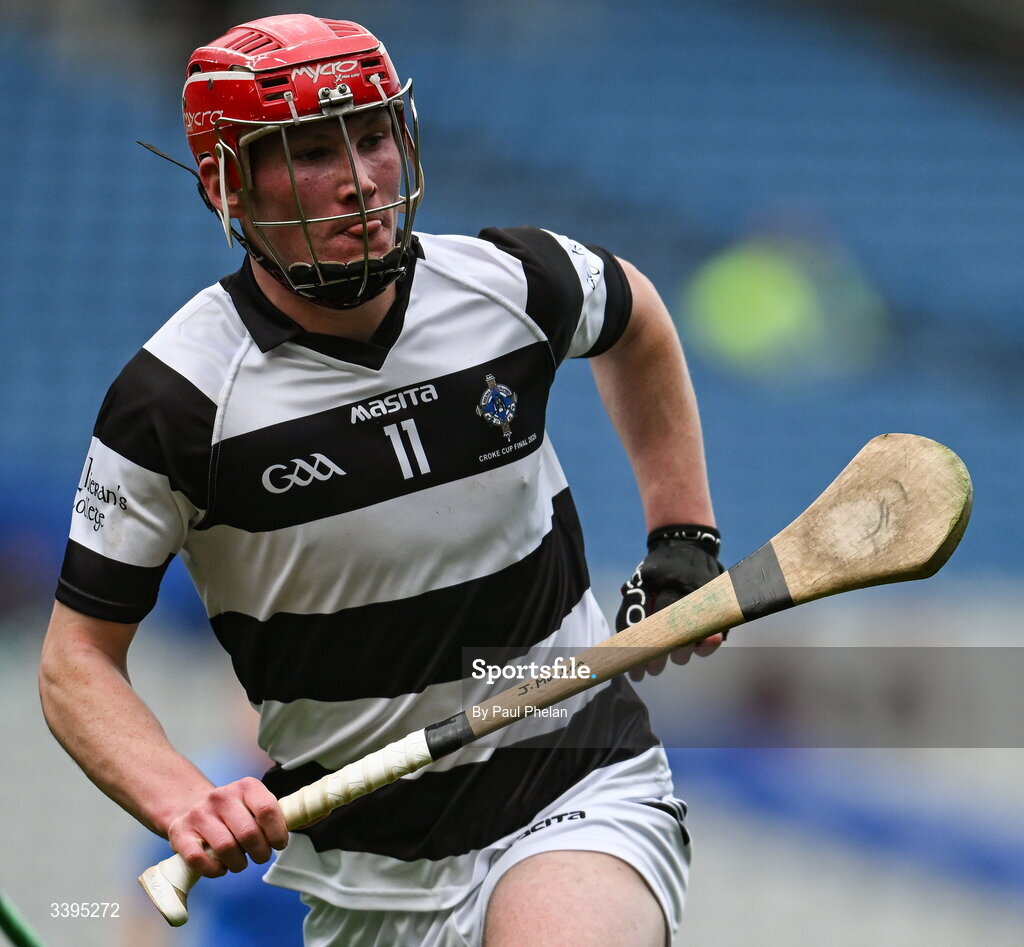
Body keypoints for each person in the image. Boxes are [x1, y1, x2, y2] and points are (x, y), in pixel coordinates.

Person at [38, 14, 725, 946]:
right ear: (225, 186)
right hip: (368, 866)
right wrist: (183, 799)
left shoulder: (511, 282)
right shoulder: (174, 402)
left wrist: (682, 534)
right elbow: (77, 662)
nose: (360, 180)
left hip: (574, 773)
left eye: (373, 137)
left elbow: (634, 310)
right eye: (312, 151)